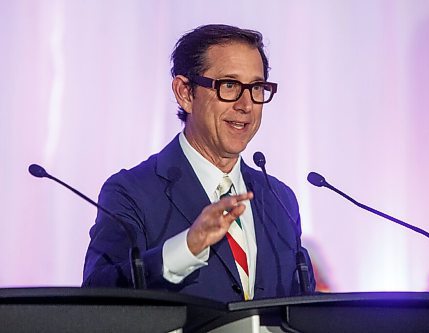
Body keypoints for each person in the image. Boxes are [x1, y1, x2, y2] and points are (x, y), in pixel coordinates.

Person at [83, 24, 316, 302]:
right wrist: (187, 248)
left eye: (256, 87)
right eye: (229, 85)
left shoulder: (280, 200)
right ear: (185, 93)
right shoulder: (132, 191)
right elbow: (98, 294)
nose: (246, 105)